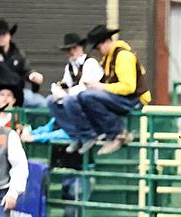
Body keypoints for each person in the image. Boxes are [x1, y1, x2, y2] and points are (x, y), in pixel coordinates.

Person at [64, 25, 152, 156]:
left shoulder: (123, 56)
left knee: (88, 96)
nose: (98, 51)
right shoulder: (108, 59)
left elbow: (129, 87)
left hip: (134, 100)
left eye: (98, 48)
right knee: (82, 97)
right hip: (122, 98)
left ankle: (118, 133)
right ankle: (95, 133)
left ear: (106, 42)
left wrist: (100, 86)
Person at [48, 33, 103, 152]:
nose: (71, 52)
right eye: (69, 49)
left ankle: (89, 135)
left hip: (95, 101)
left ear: (81, 47)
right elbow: (65, 83)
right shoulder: (70, 67)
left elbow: (85, 87)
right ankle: (75, 135)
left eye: (74, 48)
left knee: (69, 100)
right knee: (51, 101)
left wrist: (64, 94)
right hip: (77, 101)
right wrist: (57, 91)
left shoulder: (90, 63)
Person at [0, 19, 46, 108]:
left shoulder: (18, 53)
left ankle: (26, 122)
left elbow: (27, 70)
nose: (1, 37)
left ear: (9, 35)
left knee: (42, 103)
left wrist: (33, 76)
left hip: (19, 92)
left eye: (4, 34)